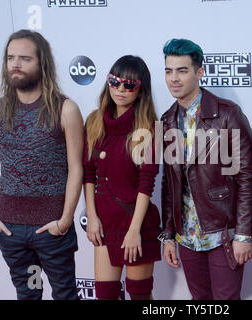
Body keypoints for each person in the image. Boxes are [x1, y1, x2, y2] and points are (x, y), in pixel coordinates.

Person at [0, 29, 84, 300]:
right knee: (28, 296)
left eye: (24, 58)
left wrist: (64, 221)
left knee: (64, 295)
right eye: (10, 58)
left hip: (52, 230)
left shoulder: (66, 109)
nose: (15, 64)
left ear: (42, 64)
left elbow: (76, 168)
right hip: (11, 230)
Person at [159, 38, 252, 300]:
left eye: (182, 70)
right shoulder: (168, 119)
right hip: (187, 236)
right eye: (169, 71)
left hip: (222, 233)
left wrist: (243, 234)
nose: (174, 78)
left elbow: (248, 177)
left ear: (199, 72)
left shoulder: (227, 114)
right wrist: (168, 235)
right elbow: (169, 184)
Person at [83, 55, 161, 300]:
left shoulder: (148, 126)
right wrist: (92, 217)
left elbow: (146, 183)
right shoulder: (95, 121)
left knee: (139, 296)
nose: (120, 89)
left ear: (141, 91)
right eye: (114, 81)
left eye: (129, 85)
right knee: (105, 295)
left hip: (136, 224)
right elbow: (88, 173)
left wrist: (134, 230)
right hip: (104, 225)